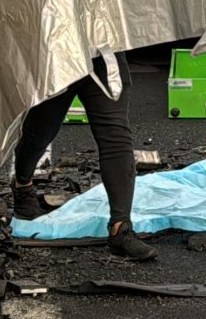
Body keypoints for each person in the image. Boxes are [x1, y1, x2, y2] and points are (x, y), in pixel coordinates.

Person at [10, 52, 157, 261]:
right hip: (57, 53)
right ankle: (22, 185)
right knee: (39, 133)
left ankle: (120, 226)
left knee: (116, 136)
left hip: (104, 54)